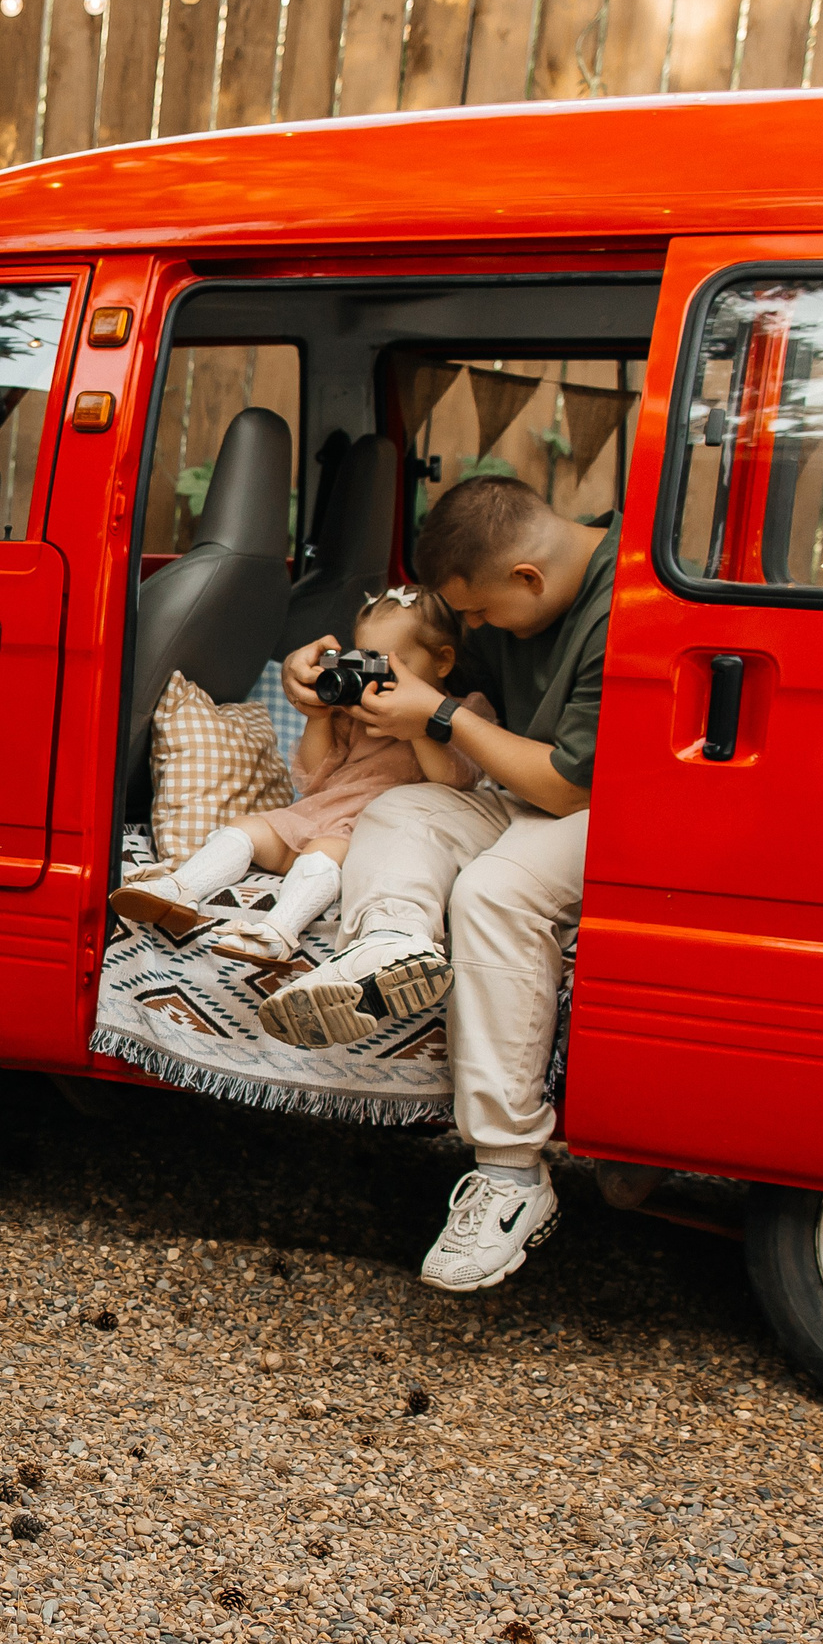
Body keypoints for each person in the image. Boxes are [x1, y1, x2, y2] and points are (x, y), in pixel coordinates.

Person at [259, 476, 615, 1294]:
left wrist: (440, 718)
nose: (478, 631)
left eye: (484, 615)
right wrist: (313, 677)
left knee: (492, 892)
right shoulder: (511, 592)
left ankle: (511, 1175)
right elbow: (424, 663)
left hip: (613, 808)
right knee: (404, 809)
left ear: (528, 577)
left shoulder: (623, 603)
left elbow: (566, 785)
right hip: (521, 792)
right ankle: (388, 942)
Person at [109, 586, 494, 970]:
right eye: (363, 662)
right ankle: (179, 891)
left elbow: (455, 780)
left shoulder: (462, 713)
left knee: (322, 850)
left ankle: (277, 933)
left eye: (390, 666)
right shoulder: (356, 711)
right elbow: (311, 777)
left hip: (369, 835)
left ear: (443, 662)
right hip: (318, 812)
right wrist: (321, 716)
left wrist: (419, 725)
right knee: (247, 828)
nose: (374, 678)